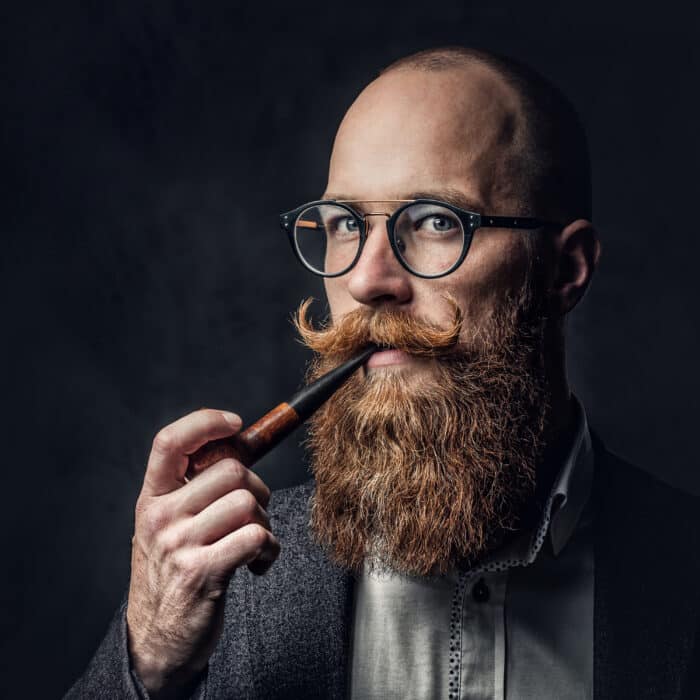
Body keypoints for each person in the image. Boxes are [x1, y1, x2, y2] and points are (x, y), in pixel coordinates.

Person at [66, 46, 700, 700]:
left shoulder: (681, 571)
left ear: (566, 269)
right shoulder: (223, 578)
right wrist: (152, 652)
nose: (368, 280)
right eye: (344, 223)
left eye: (434, 221)